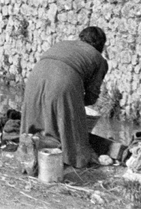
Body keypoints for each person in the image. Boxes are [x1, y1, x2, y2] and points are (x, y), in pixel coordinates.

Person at [20, 26, 109, 169]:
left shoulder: (63, 44)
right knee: (72, 128)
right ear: (101, 45)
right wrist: (77, 105)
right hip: (64, 80)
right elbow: (92, 94)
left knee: (35, 115)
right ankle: (70, 157)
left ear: (81, 37)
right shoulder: (99, 60)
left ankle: (30, 145)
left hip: (35, 78)